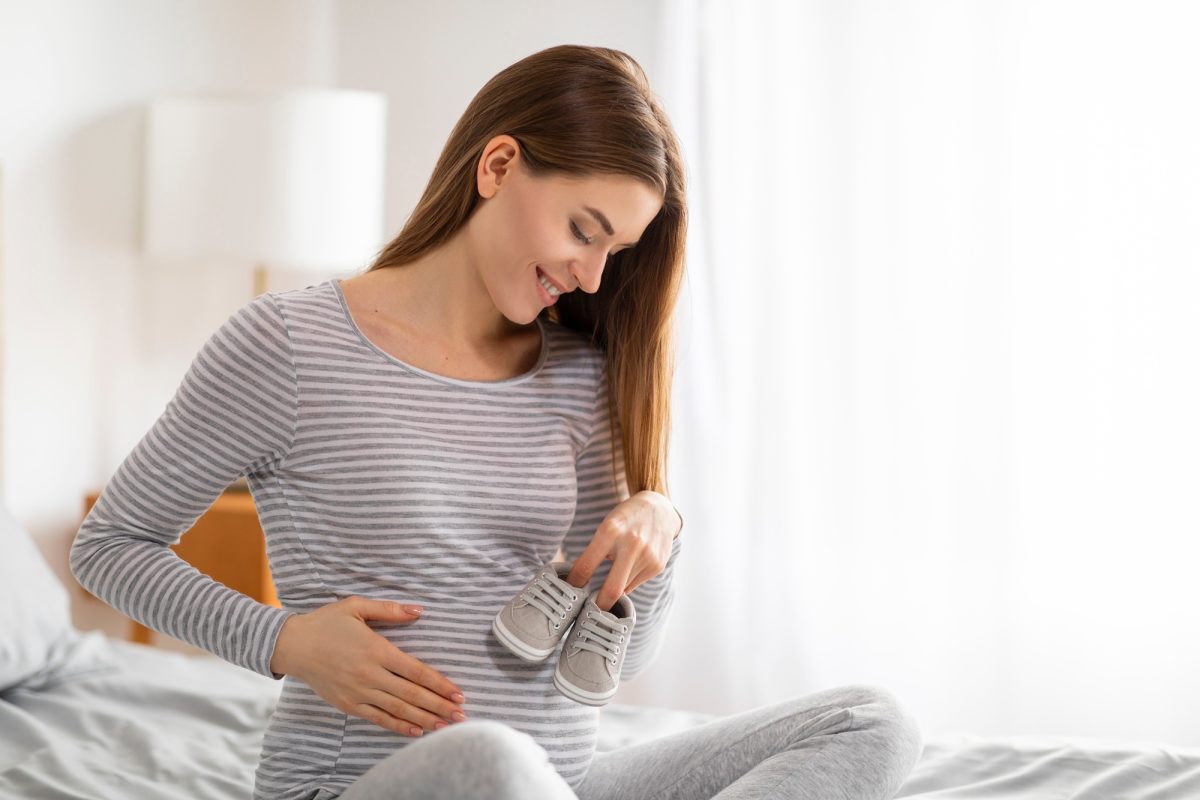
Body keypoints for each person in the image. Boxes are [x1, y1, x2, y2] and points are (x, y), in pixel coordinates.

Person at [70, 44, 922, 800]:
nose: (591, 278)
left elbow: (620, 659)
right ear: (499, 164)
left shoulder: (582, 374)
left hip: (560, 780)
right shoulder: (287, 344)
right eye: (584, 231)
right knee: (489, 761)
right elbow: (109, 548)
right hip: (361, 781)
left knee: (868, 721)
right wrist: (285, 640)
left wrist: (657, 532)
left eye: (615, 253)